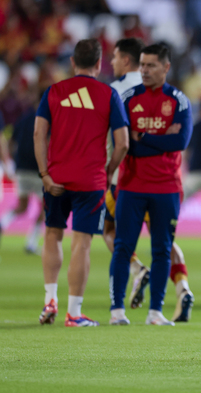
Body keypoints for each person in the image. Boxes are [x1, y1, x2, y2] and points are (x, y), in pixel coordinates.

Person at [35, 39, 130, 327]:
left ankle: (50, 299)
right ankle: (74, 313)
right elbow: (123, 143)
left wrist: (44, 175)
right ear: (99, 64)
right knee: (82, 243)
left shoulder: (54, 91)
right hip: (90, 181)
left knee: (52, 234)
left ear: (73, 62)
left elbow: (39, 134)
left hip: (56, 178)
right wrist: (109, 170)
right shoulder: (108, 93)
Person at [106, 38, 195, 322]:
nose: (144, 70)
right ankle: (117, 310)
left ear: (166, 67)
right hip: (131, 186)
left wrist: (143, 137)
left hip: (167, 187)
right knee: (123, 247)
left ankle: (155, 311)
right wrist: (161, 139)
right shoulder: (128, 98)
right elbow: (126, 144)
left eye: (151, 65)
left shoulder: (179, 100)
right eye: (142, 65)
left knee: (162, 250)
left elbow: (180, 142)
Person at [0, 91, 44, 254]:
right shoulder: (48, 119)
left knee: (22, 205)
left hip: (22, 169)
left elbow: (11, 140)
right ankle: (31, 243)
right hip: (38, 170)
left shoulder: (25, 117)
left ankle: (3, 222)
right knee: (45, 208)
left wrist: (12, 161)